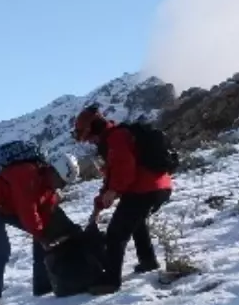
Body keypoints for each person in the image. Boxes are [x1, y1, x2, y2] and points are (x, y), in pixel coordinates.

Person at [72, 104, 173, 293]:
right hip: (160, 187)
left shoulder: (116, 138)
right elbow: (111, 178)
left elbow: (124, 172)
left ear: (95, 127)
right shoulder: (114, 138)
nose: (90, 142)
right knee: (136, 221)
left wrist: (113, 191)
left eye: (89, 137)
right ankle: (148, 261)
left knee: (116, 233)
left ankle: (110, 280)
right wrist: (98, 206)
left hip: (145, 189)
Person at [0, 150, 80, 305]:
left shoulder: (48, 188)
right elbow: (27, 211)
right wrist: (41, 236)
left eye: (63, 185)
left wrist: (47, 235)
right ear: (53, 170)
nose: (60, 187)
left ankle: (42, 285)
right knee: (1, 252)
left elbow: (45, 216)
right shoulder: (25, 174)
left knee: (43, 232)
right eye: (60, 181)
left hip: (7, 205)